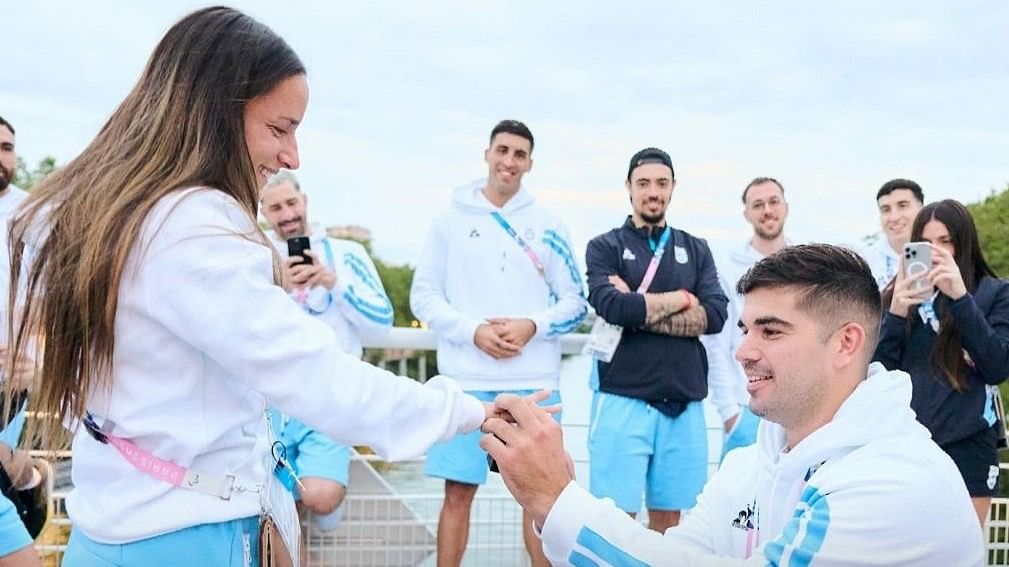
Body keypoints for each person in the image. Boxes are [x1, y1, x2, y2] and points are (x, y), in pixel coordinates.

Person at [4, 8, 512, 566]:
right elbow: (317, 377)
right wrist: (467, 410)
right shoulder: (193, 225)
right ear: (213, 114)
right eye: (279, 129)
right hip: (189, 539)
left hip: (107, 534)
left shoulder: (94, 215)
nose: (292, 157)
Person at [483, 244, 984, 566]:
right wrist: (555, 494)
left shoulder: (895, 481)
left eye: (771, 330)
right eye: (745, 329)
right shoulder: (752, 462)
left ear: (846, 343)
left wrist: (556, 499)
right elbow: (677, 555)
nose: (742, 349)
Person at [410, 119, 586, 567]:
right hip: (464, 380)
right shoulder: (448, 221)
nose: (509, 161)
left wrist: (532, 324)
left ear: (530, 162)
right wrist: (473, 331)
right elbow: (423, 296)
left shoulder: (549, 225)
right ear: (488, 154)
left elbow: (575, 303)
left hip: (534, 383)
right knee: (456, 495)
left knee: (542, 503)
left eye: (519, 154)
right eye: (502, 150)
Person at [582, 147, 727, 533]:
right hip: (621, 398)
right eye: (643, 182)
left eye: (662, 183)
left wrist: (637, 307)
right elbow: (610, 307)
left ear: (673, 188)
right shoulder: (604, 246)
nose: (653, 191)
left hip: (683, 404)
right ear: (628, 187)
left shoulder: (696, 248)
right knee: (613, 522)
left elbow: (715, 315)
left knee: (671, 523)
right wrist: (679, 299)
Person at [260, 170, 395, 536]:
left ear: (304, 202)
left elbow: (382, 320)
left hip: (328, 399)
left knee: (320, 496)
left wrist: (331, 281)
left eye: (291, 203)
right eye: (275, 208)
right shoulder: (258, 254)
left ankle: (308, 520)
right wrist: (277, 285)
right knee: (262, 498)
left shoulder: (347, 253)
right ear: (263, 213)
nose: (286, 214)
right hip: (268, 406)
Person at [875, 199, 1009, 528]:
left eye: (945, 241)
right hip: (905, 442)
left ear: (963, 244)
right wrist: (895, 313)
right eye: (926, 243)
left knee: (961, 549)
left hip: (968, 441)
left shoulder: (993, 292)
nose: (935, 251)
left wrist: (961, 298)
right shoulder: (895, 295)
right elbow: (875, 376)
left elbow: (996, 366)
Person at [705, 177, 791, 459]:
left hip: (795, 405)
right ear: (747, 214)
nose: (767, 210)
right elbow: (716, 342)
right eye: (758, 204)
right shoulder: (728, 268)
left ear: (785, 207)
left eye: (773, 202)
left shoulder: (804, 265)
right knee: (738, 501)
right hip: (746, 408)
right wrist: (730, 413)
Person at [0, 116, 41, 567]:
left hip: (13, 382)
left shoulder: (33, 213)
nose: (1, 157)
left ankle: (29, 479)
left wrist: (38, 357)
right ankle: (30, 482)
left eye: (7, 147)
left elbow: (58, 306)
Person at [861, 178, 925, 290]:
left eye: (903, 206)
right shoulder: (864, 262)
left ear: (922, 209)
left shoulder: (942, 252)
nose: (894, 217)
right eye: (886, 209)